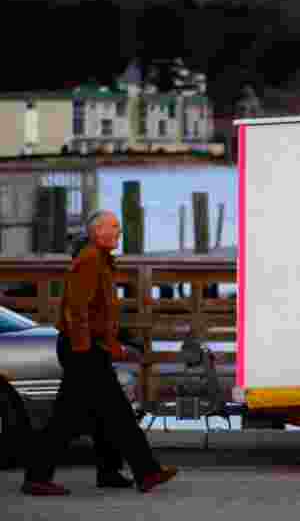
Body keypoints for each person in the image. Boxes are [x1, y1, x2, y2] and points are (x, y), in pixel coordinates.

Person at [21, 210, 178, 496]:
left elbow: (99, 312)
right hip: (81, 348)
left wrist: (118, 339)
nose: (120, 232)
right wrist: (85, 349)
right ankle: (145, 471)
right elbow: (76, 310)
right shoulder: (91, 260)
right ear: (98, 232)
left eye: (119, 226)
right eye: (115, 227)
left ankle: (112, 470)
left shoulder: (101, 260)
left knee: (106, 413)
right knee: (93, 415)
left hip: (87, 346)